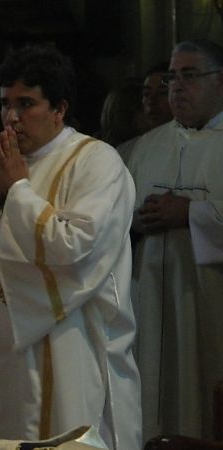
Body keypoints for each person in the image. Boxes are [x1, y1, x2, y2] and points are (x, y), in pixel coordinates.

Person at [0, 45, 141, 450]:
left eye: (26, 103)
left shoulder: (97, 163)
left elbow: (77, 247)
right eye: (5, 103)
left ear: (59, 108)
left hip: (70, 345)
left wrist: (15, 196)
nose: (11, 117)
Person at [126, 38, 223, 441]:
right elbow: (110, 219)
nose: (177, 86)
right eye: (172, 77)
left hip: (209, 307)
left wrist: (191, 214)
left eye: (190, 75)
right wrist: (135, 222)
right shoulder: (143, 148)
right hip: (150, 305)